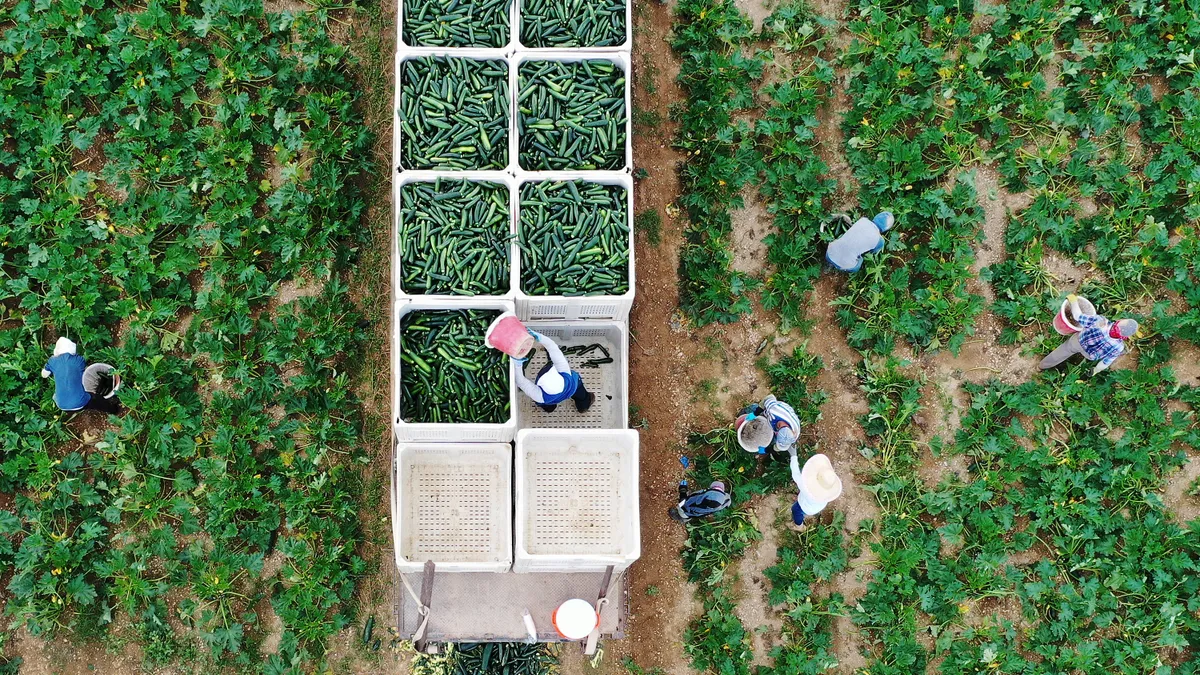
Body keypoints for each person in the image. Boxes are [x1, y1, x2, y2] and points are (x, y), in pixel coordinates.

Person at [1039, 294, 1138, 375]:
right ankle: (1077, 357)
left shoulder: (1100, 322)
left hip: (1077, 342)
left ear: (1119, 322)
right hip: (1089, 355)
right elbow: (1105, 363)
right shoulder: (1119, 347)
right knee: (1085, 353)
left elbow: (1077, 316)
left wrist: (1073, 301)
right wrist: (1095, 370)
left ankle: (1042, 366)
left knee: (1062, 352)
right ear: (1124, 336)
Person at [513, 330, 595, 413]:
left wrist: (518, 364)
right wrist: (540, 337)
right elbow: (553, 348)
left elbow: (521, 382)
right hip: (574, 387)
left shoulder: (540, 396)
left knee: (545, 405)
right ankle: (583, 406)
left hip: (550, 400)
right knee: (583, 398)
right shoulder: (565, 372)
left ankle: (550, 408)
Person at [41, 337, 121, 414]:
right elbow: (84, 372)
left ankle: (77, 405)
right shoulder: (79, 359)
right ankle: (114, 410)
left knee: (56, 396)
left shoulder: (52, 361)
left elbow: (44, 375)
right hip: (79, 402)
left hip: (61, 405)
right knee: (96, 399)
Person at [786, 451, 842, 532]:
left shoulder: (806, 488)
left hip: (807, 507)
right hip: (817, 506)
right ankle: (799, 500)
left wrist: (793, 456)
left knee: (796, 510)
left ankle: (799, 526)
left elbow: (796, 475)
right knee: (802, 501)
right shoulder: (827, 488)